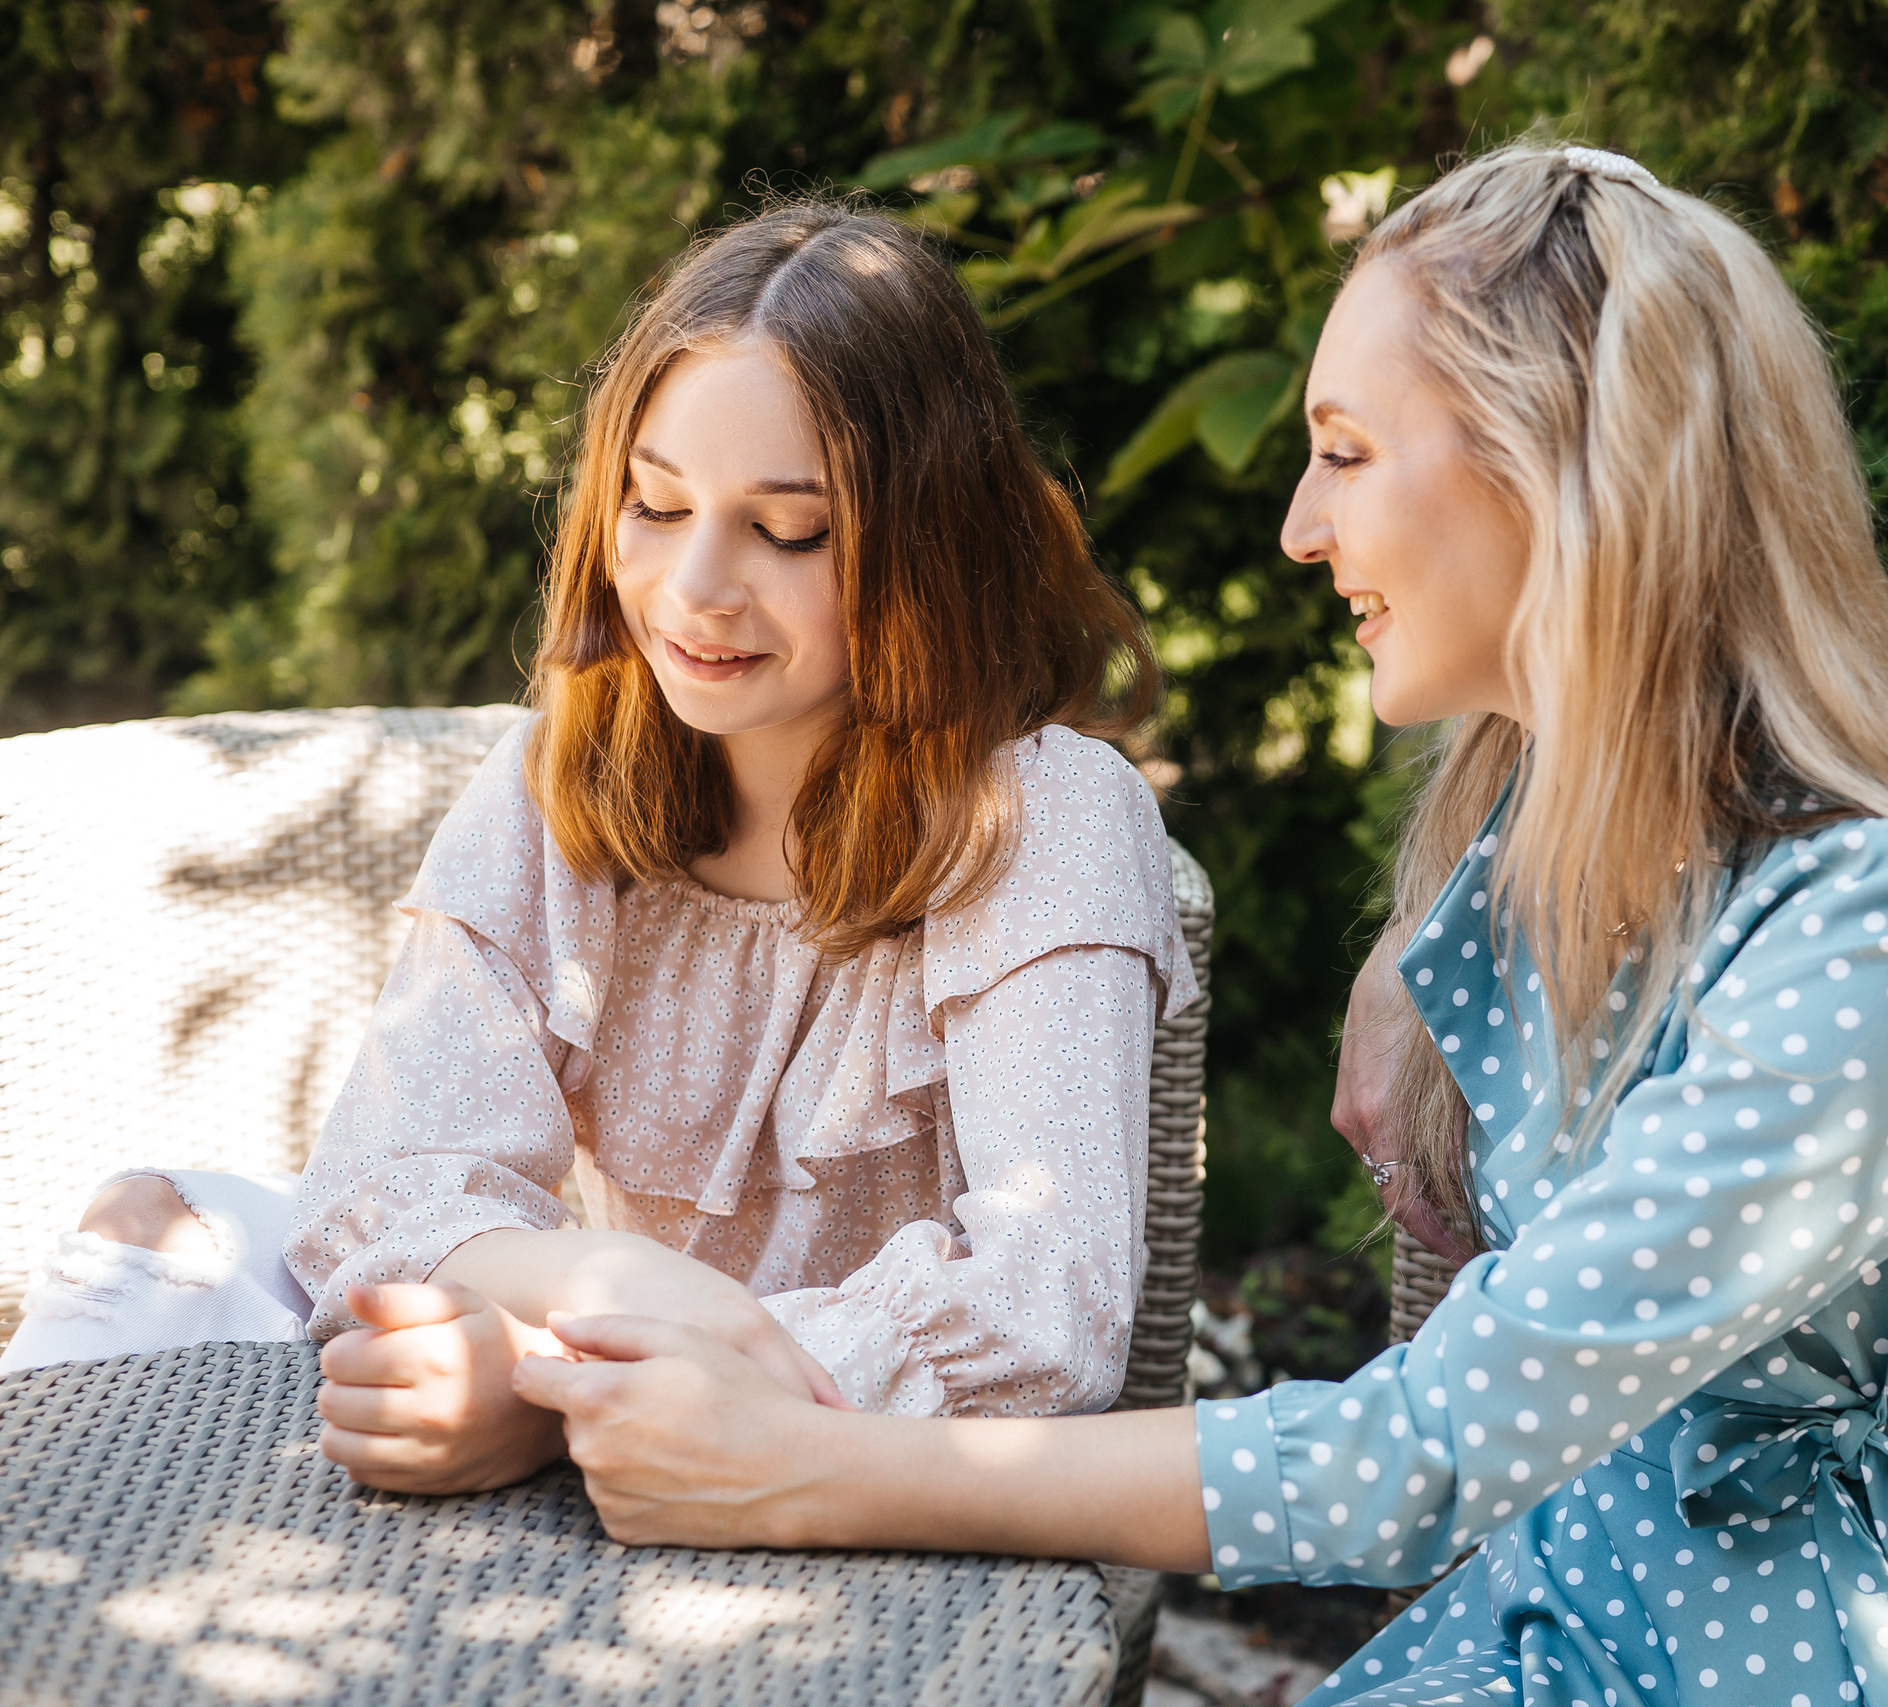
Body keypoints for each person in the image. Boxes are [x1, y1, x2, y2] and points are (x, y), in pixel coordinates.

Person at [506, 146, 1888, 1707]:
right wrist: (1416, 945)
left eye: (1344, 453)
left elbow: (1426, 1449)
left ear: (1565, 474)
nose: (1300, 526)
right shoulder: (1567, 844)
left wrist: (805, 1469)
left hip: (1885, 1659)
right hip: (1597, 1618)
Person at [0, 200, 1199, 1501]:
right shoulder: (562, 773)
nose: (695, 587)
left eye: (788, 530)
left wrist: (551, 1389)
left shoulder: (1046, 815)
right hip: (563, 1353)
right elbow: (382, 1180)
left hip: (832, 1455)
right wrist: (583, 1286)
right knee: (151, 1228)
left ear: (928, 540)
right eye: (656, 502)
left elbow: (1045, 1320)